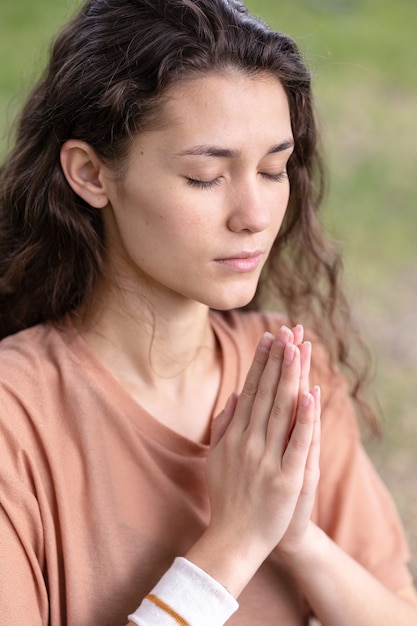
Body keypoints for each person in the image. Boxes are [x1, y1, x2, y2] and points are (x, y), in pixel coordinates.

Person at [0, 0, 416, 624]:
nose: (254, 214)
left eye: (274, 169)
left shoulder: (290, 372)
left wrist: (298, 537)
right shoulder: (17, 417)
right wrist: (238, 540)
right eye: (204, 177)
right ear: (90, 174)